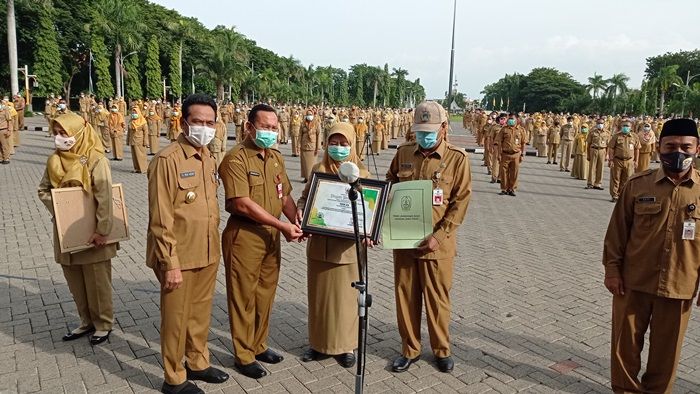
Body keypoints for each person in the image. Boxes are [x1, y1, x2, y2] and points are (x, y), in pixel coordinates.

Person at [603, 118, 700, 394]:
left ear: (697, 149)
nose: (677, 153)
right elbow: (617, 232)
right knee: (624, 348)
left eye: (685, 146)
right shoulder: (638, 184)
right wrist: (612, 270)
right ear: (659, 148)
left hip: (680, 284)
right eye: (670, 146)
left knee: (666, 353)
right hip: (633, 281)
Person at [146, 94, 229, 394]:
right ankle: (174, 377)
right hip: (178, 255)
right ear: (184, 123)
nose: (204, 128)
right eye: (197, 122)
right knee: (175, 319)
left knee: (200, 313)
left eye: (209, 123)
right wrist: (170, 263)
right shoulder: (167, 160)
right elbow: (160, 217)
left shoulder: (207, 157)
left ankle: (198, 362)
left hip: (207, 251)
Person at [386, 101, 472, 374]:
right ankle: (409, 349)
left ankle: (441, 349)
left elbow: (460, 202)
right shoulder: (403, 153)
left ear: (444, 128)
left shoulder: (457, 159)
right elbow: (388, 184)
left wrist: (440, 235)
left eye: (430, 130)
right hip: (404, 242)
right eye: (420, 130)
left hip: (437, 245)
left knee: (437, 300)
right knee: (406, 297)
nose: (424, 136)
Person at [218, 104, 303, 379]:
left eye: (273, 127)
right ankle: (243, 355)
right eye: (264, 126)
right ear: (249, 127)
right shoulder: (236, 159)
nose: (270, 132)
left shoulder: (275, 158)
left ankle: (259, 344)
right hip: (245, 235)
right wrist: (282, 225)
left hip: (271, 236)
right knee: (243, 297)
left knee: (265, 294)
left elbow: (285, 196)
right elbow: (240, 204)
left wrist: (298, 220)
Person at [37, 112, 116, 345]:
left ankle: (103, 323)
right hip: (66, 230)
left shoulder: (96, 159)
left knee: (97, 280)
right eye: (58, 133)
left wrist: (103, 230)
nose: (60, 138)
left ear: (80, 133)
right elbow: (42, 190)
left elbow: (105, 197)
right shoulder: (54, 160)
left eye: (65, 133)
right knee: (75, 280)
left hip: (92, 230)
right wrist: (62, 206)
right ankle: (86, 321)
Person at [297, 122, 368, 368]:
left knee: (346, 301)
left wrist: (369, 230)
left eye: (344, 143)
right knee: (320, 300)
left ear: (352, 145)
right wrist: (300, 211)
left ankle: (346, 347)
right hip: (319, 247)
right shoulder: (318, 169)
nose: (338, 148)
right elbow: (305, 197)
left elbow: (369, 209)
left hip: (347, 251)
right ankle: (318, 345)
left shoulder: (362, 173)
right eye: (333, 143)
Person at [607, 120, 640, 202]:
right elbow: (611, 148)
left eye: (627, 126)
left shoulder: (634, 136)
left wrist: (636, 161)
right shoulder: (616, 136)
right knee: (616, 179)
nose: (626, 127)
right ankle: (614, 195)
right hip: (617, 160)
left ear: (631, 127)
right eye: (624, 126)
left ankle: (622, 195)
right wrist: (610, 160)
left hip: (629, 161)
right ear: (621, 127)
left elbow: (637, 149)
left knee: (627, 179)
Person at [494, 113, 526, 196]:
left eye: (512, 118)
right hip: (505, 154)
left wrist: (522, 154)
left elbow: (523, 143)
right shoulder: (504, 130)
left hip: (516, 154)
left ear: (516, 120)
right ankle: (504, 189)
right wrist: (498, 154)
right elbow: (498, 142)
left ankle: (512, 189)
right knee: (503, 173)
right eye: (510, 118)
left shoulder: (521, 130)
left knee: (514, 173)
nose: (511, 120)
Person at [586, 118, 611, 190]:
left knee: (600, 168)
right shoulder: (592, 132)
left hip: (602, 150)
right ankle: (590, 183)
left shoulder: (607, 133)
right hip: (593, 149)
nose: (600, 125)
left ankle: (598, 184)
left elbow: (608, 145)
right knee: (592, 167)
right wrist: (588, 154)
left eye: (602, 123)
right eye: (599, 123)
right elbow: (588, 144)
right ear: (596, 124)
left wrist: (607, 155)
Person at [300, 109, 320, 182]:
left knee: (312, 164)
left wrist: (318, 148)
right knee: (304, 163)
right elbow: (300, 135)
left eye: (310, 114)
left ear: (313, 115)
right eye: (308, 114)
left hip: (312, 147)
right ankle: (306, 177)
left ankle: (311, 178)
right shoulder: (303, 123)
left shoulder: (316, 124)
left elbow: (318, 136)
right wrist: (299, 145)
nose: (309, 116)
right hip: (304, 145)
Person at [127, 107, 148, 174]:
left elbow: (146, 132)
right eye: (133, 113)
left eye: (135, 112)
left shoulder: (143, 122)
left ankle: (143, 169)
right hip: (133, 140)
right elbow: (129, 132)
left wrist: (145, 141)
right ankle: (136, 168)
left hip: (140, 141)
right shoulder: (131, 121)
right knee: (134, 156)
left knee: (141, 155)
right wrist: (127, 140)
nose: (134, 114)